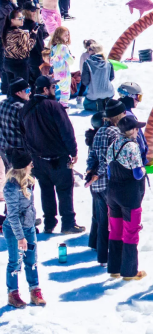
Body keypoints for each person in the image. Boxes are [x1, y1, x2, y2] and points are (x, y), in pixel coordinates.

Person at [21, 76, 80, 234]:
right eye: (53, 87)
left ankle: (49, 223)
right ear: (45, 89)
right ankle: (68, 223)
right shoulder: (53, 106)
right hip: (58, 158)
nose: (55, 90)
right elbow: (66, 130)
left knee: (46, 190)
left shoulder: (27, 107)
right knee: (64, 190)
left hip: (38, 159)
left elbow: (23, 133)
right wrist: (73, 151)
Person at [84, 102, 127, 269]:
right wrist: (97, 174)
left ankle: (102, 256)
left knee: (101, 220)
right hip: (108, 183)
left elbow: (93, 155)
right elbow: (109, 159)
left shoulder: (100, 131)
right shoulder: (115, 133)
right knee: (113, 221)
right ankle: (113, 256)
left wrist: (90, 171)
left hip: (97, 187)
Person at [106, 115, 148, 280]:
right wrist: (146, 170)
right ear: (131, 130)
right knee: (131, 231)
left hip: (112, 192)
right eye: (136, 128)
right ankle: (130, 271)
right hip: (129, 194)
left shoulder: (113, 145)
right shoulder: (132, 146)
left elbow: (109, 172)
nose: (138, 131)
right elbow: (137, 174)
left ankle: (114, 268)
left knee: (115, 230)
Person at [4, 148, 45, 308]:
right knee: (15, 262)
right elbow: (12, 215)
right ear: (23, 166)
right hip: (15, 230)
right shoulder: (11, 187)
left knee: (32, 260)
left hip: (28, 227)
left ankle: (35, 290)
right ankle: (13, 293)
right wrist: (20, 237)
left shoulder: (28, 181)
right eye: (30, 163)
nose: (32, 165)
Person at [0, 79, 29, 163]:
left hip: (4, 149)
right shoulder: (21, 108)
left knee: (10, 173)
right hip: (19, 150)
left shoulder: (2, 103)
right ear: (18, 93)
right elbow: (27, 131)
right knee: (23, 175)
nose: (30, 92)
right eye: (27, 90)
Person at [3, 8, 32, 87]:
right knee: (21, 88)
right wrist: (33, 37)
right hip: (19, 64)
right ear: (12, 20)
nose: (22, 20)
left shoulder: (5, 31)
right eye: (20, 18)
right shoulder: (21, 33)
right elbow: (28, 48)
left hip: (7, 63)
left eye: (23, 18)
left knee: (12, 89)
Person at [48, 27, 74, 107]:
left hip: (56, 74)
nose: (67, 36)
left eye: (68, 34)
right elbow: (70, 61)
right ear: (59, 35)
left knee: (55, 93)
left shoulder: (53, 46)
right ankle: (63, 112)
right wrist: (72, 57)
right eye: (65, 35)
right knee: (65, 95)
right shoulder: (63, 47)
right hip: (64, 74)